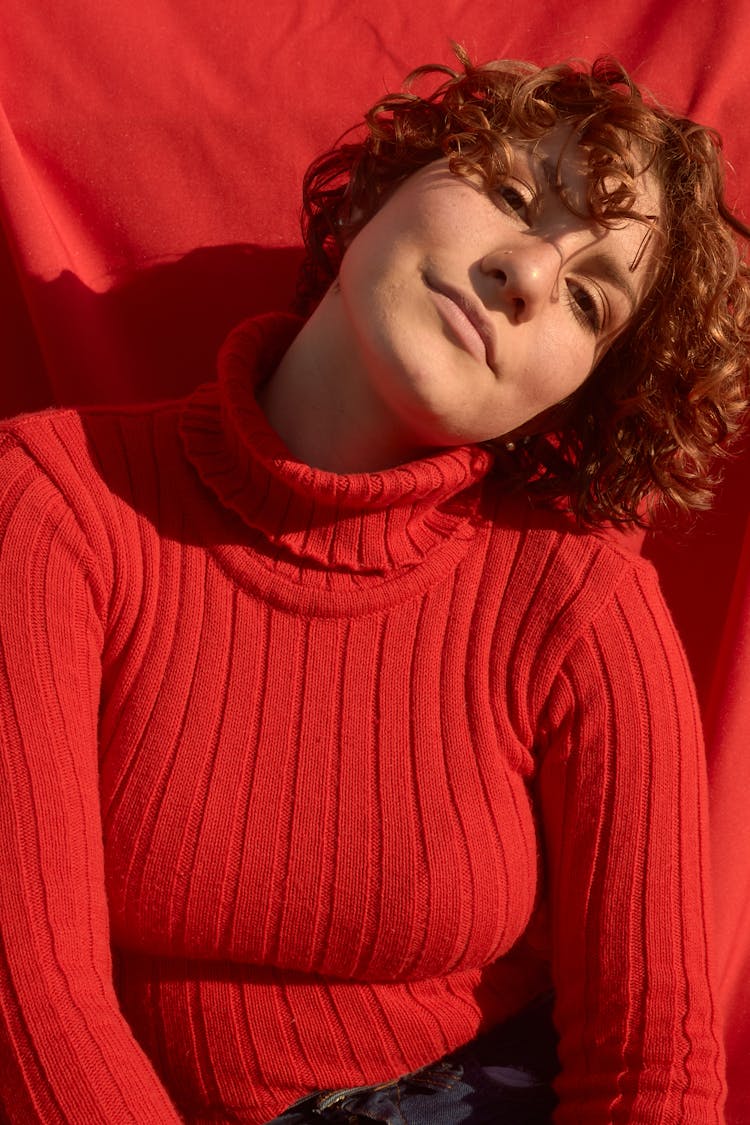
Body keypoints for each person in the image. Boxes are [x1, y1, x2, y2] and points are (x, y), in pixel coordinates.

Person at [0, 48, 747, 1125]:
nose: (529, 276)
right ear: (373, 198)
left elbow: (652, 1070)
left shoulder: (584, 606)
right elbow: (33, 996)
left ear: (576, 403)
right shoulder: (56, 507)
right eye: (509, 194)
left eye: (589, 300)